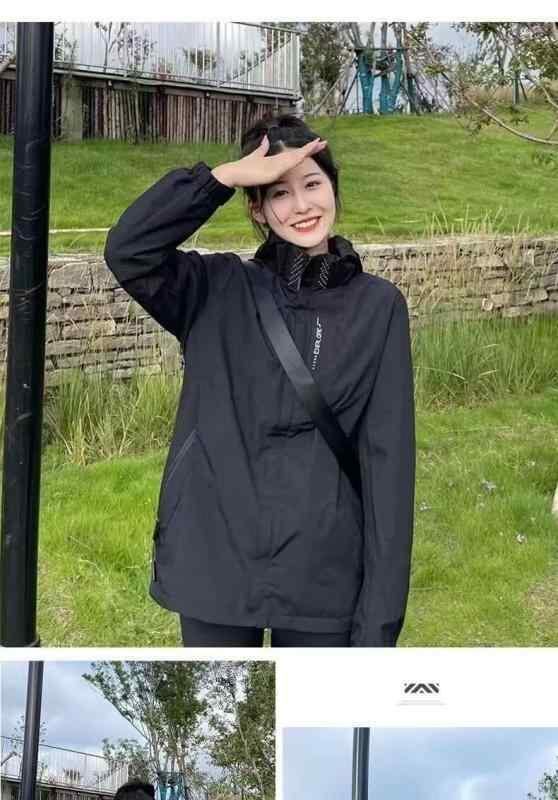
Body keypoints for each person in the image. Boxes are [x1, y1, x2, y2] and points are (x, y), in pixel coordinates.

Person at [104, 113, 416, 648]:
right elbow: (129, 252)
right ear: (257, 206)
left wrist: (379, 628)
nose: (302, 206)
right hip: (215, 560)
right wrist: (221, 177)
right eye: (279, 192)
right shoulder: (214, 290)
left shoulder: (379, 306)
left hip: (324, 571)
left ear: (333, 189)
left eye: (312, 184)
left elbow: (389, 467)